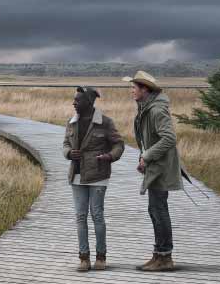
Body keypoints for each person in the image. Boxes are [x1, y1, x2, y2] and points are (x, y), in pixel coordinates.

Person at [125, 71, 188, 272]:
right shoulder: (147, 107)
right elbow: (149, 140)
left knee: (158, 210)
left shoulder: (156, 110)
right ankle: (159, 255)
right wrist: (144, 157)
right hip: (155, 166)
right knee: (156, 210)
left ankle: (164, 257)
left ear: (145, 89)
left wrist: (148, 156)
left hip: (161, 168)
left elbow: (169, 138)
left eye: (134, 87)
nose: (131, 90)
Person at [62, 87, 124, 271]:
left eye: (77, 100)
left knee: (97, 215)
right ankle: (83, 258)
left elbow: (118, 144)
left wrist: (110, 156)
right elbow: (65, 143)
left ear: (89, 102)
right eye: (74, 100)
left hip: (98, 175)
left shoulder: (105, 122)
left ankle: (101, 257)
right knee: (80, 217)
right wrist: (67, 153)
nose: (74, 103)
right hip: (77, 175)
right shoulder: (71, 122)